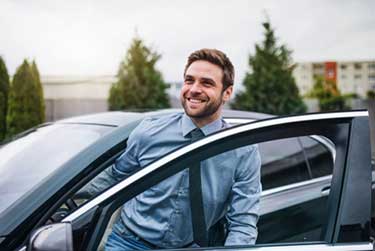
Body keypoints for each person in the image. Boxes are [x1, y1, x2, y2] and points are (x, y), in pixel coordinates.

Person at [86, 48, 261, 250]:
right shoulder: (149, 132)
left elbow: (243, 222)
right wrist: (62, 199)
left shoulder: (242, 150)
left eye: (206, 83)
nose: (194, 89)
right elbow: (114, 179)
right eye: (189, 80)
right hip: (128, 242)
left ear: (227, 93)